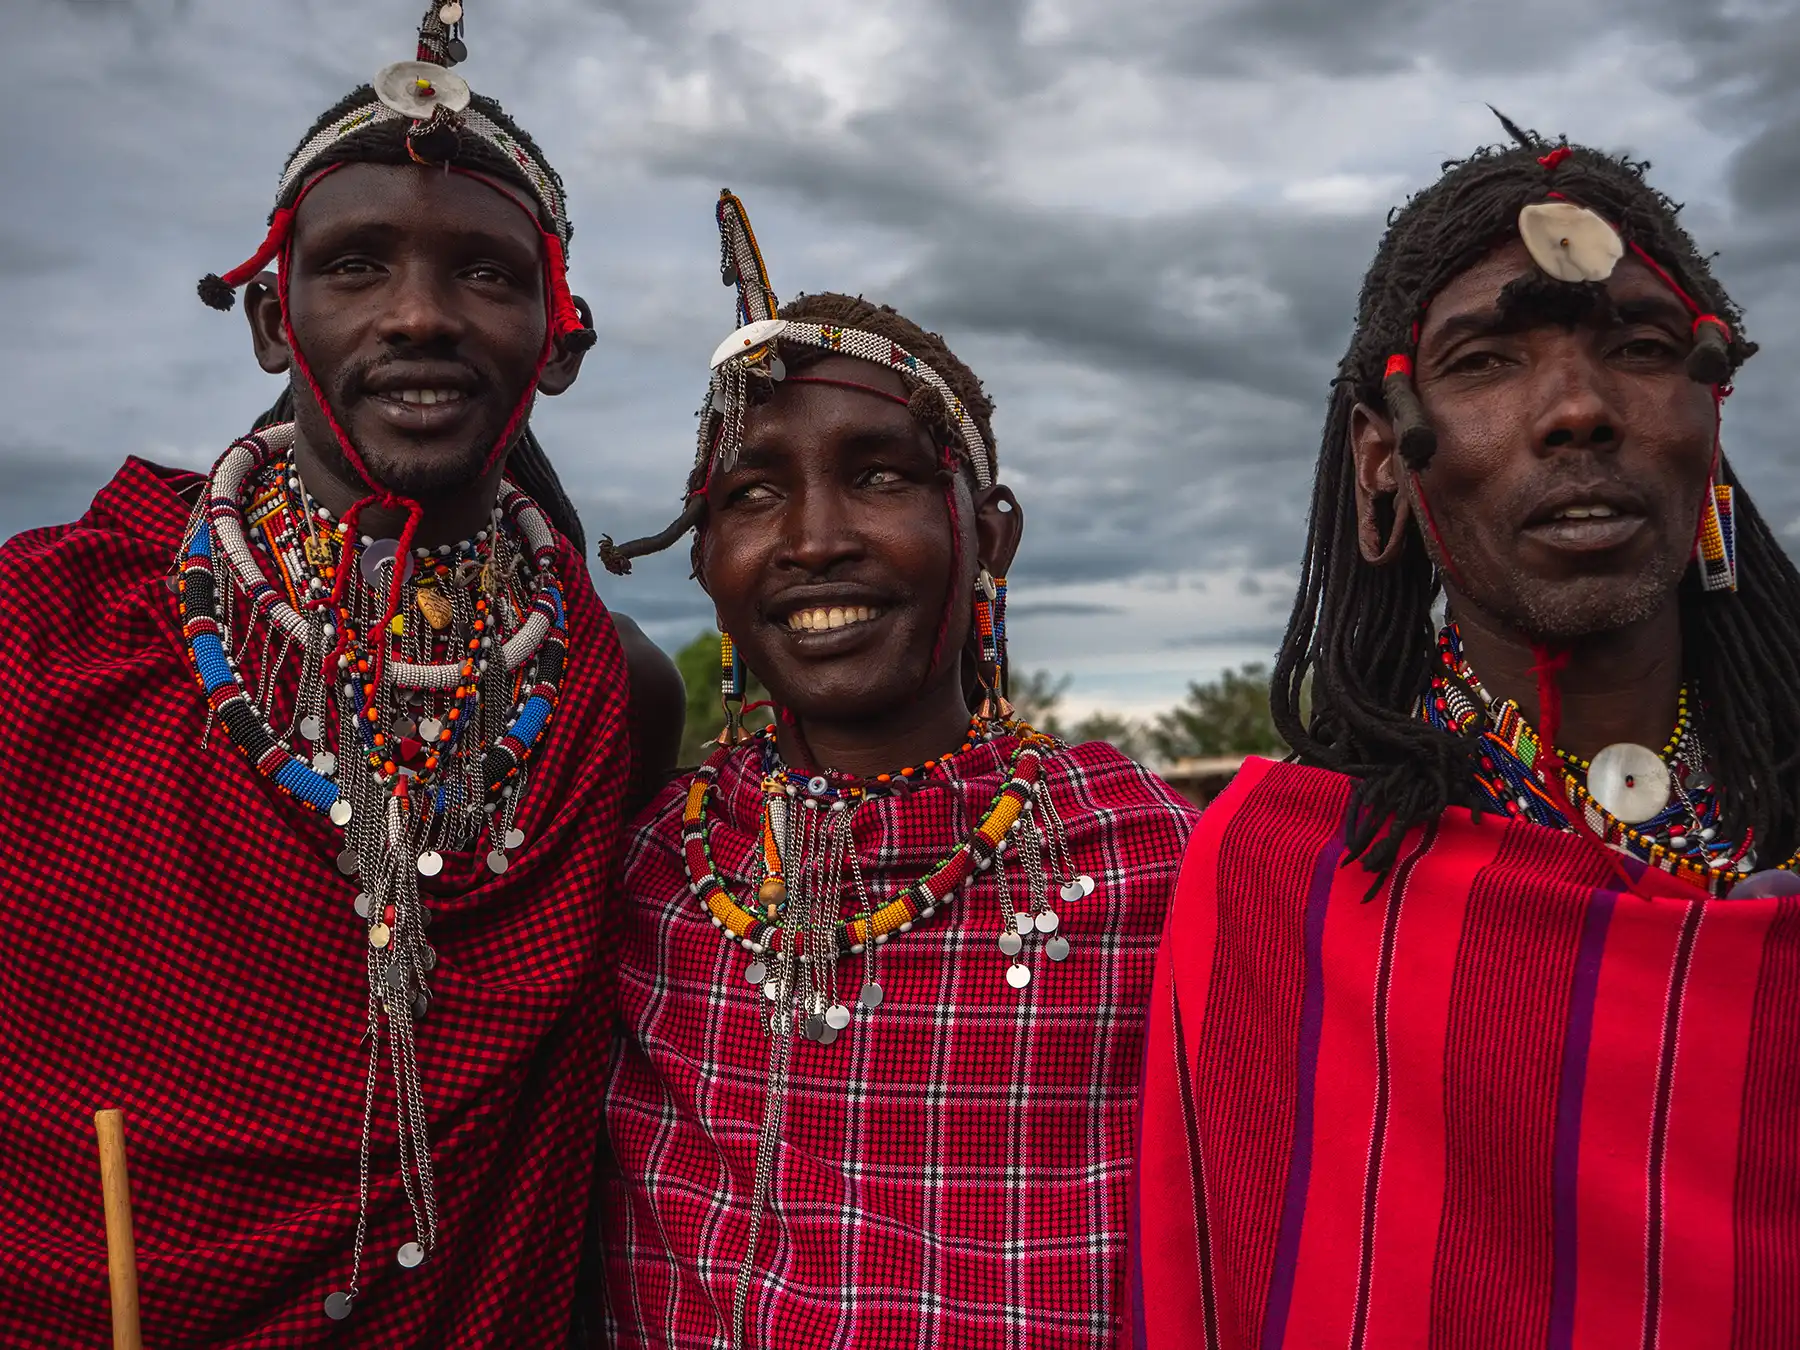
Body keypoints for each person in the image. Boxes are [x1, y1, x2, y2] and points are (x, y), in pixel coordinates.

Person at [0, 5, 679, 1345]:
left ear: (558, 338)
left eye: (487, 275)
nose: (420, 313)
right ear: (271, 316)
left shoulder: (609, 697)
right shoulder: (50, 630)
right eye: (358, 265)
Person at [1126, 118, 1800, 1348]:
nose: (1580, 410)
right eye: (1488, 360)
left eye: (1643, 349)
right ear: (1382, 457)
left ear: (1713, 419)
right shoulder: (1286, 875)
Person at [593, 191, 1198, 1348]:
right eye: (752, 495)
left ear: (993, 535)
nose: (815, 537)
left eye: (880, 476)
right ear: (709, 560)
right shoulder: (648, 872)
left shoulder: (1157, 866)